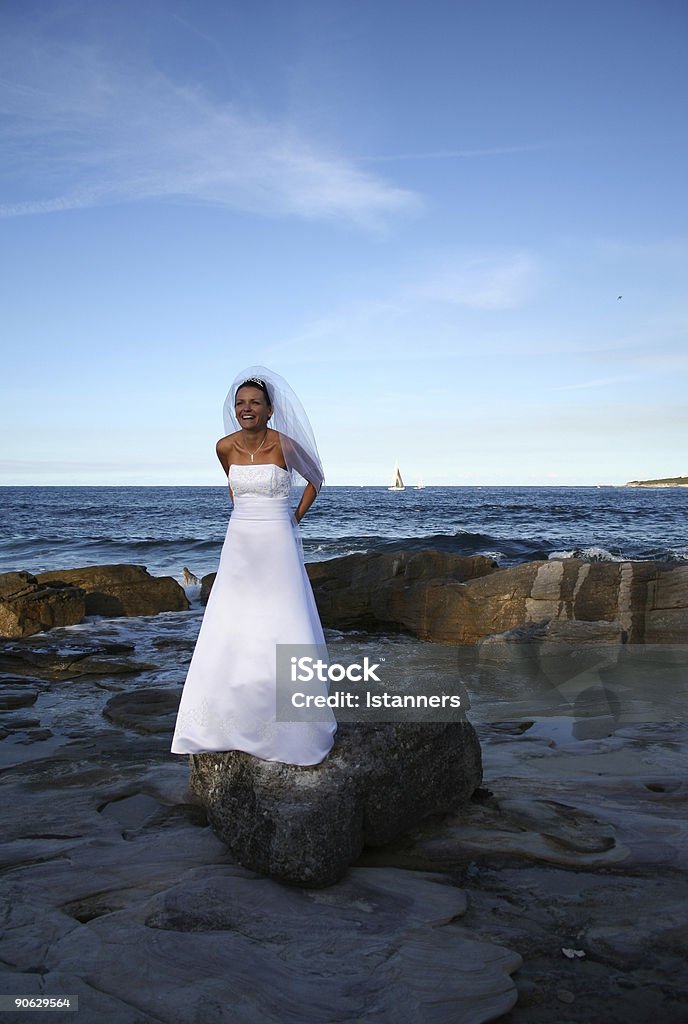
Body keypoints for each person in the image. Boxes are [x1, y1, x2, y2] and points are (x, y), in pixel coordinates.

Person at [170, 365, 336, 765]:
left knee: (282, 618)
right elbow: (234, 485)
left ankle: (293, 724)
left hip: (277, 538)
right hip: (240, 541)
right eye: (241, 403)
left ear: (269, 409)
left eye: (255, 403)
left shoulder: (285, 445)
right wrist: (245, 515)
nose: (247, 409)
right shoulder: (223, 447)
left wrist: (291, 517)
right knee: (233, 620)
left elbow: (317, 480)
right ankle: (223, 720)